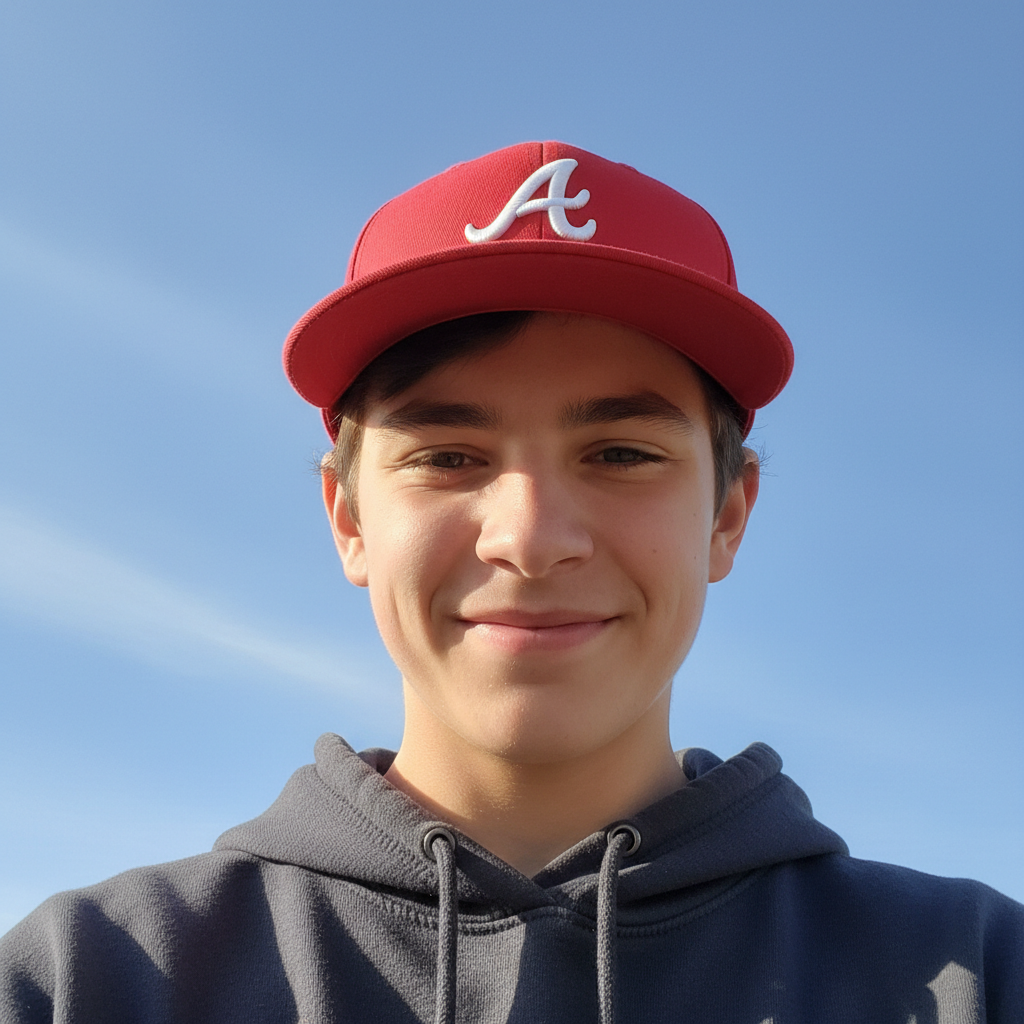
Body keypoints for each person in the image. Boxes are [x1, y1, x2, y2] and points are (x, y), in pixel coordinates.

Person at [1, 141, 1021, 1023]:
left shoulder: (983, 974)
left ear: (727, 514)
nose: (531, 539)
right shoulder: (91, 980)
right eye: (448, 456)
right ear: (350, 519)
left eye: (621, 453)